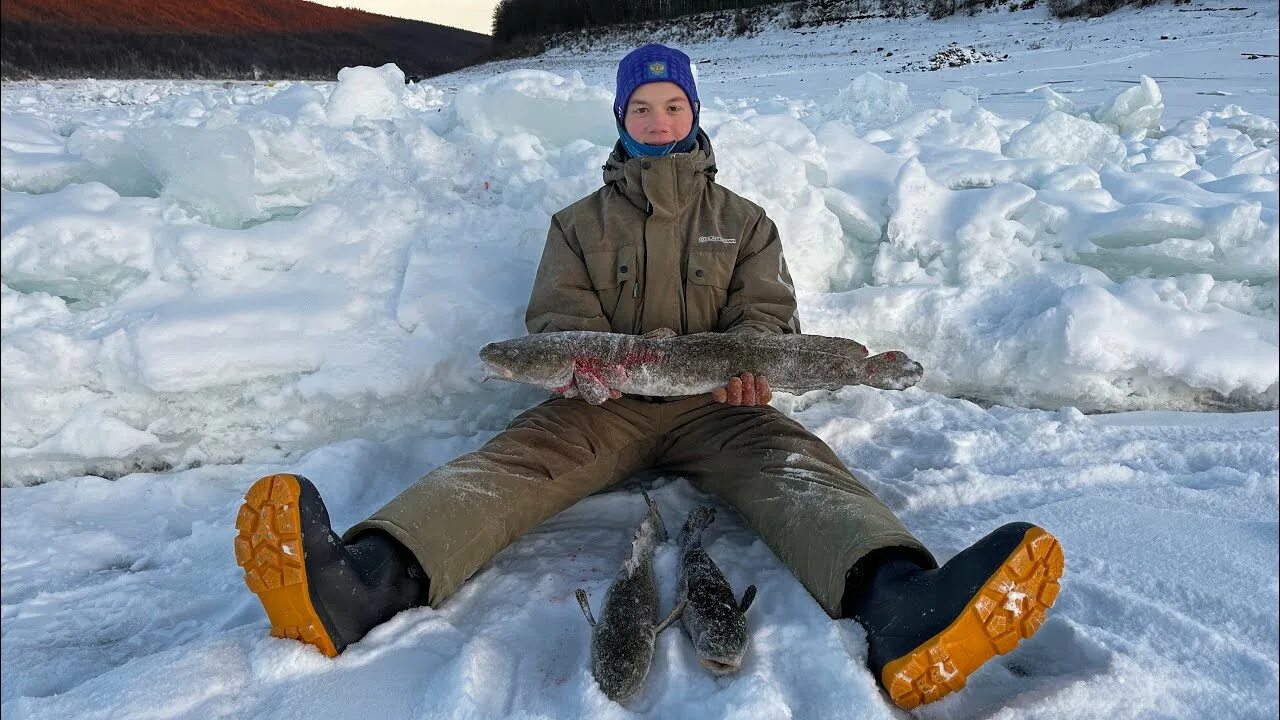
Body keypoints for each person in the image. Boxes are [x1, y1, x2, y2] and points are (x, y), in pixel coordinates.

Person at [233, 44, 1064, 709]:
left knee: (802, 472)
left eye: (673, 106)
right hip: (608, 407)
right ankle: (363, 583)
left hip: (720, 405)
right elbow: (556, 325)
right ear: (621, 119)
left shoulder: (745, 222)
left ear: (694, 115)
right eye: (642, 108)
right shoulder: (576, 225)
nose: (659, 120)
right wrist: (575, 371)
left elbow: (767, 323)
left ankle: (901, 604)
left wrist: (751, 369)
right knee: (507, 467)